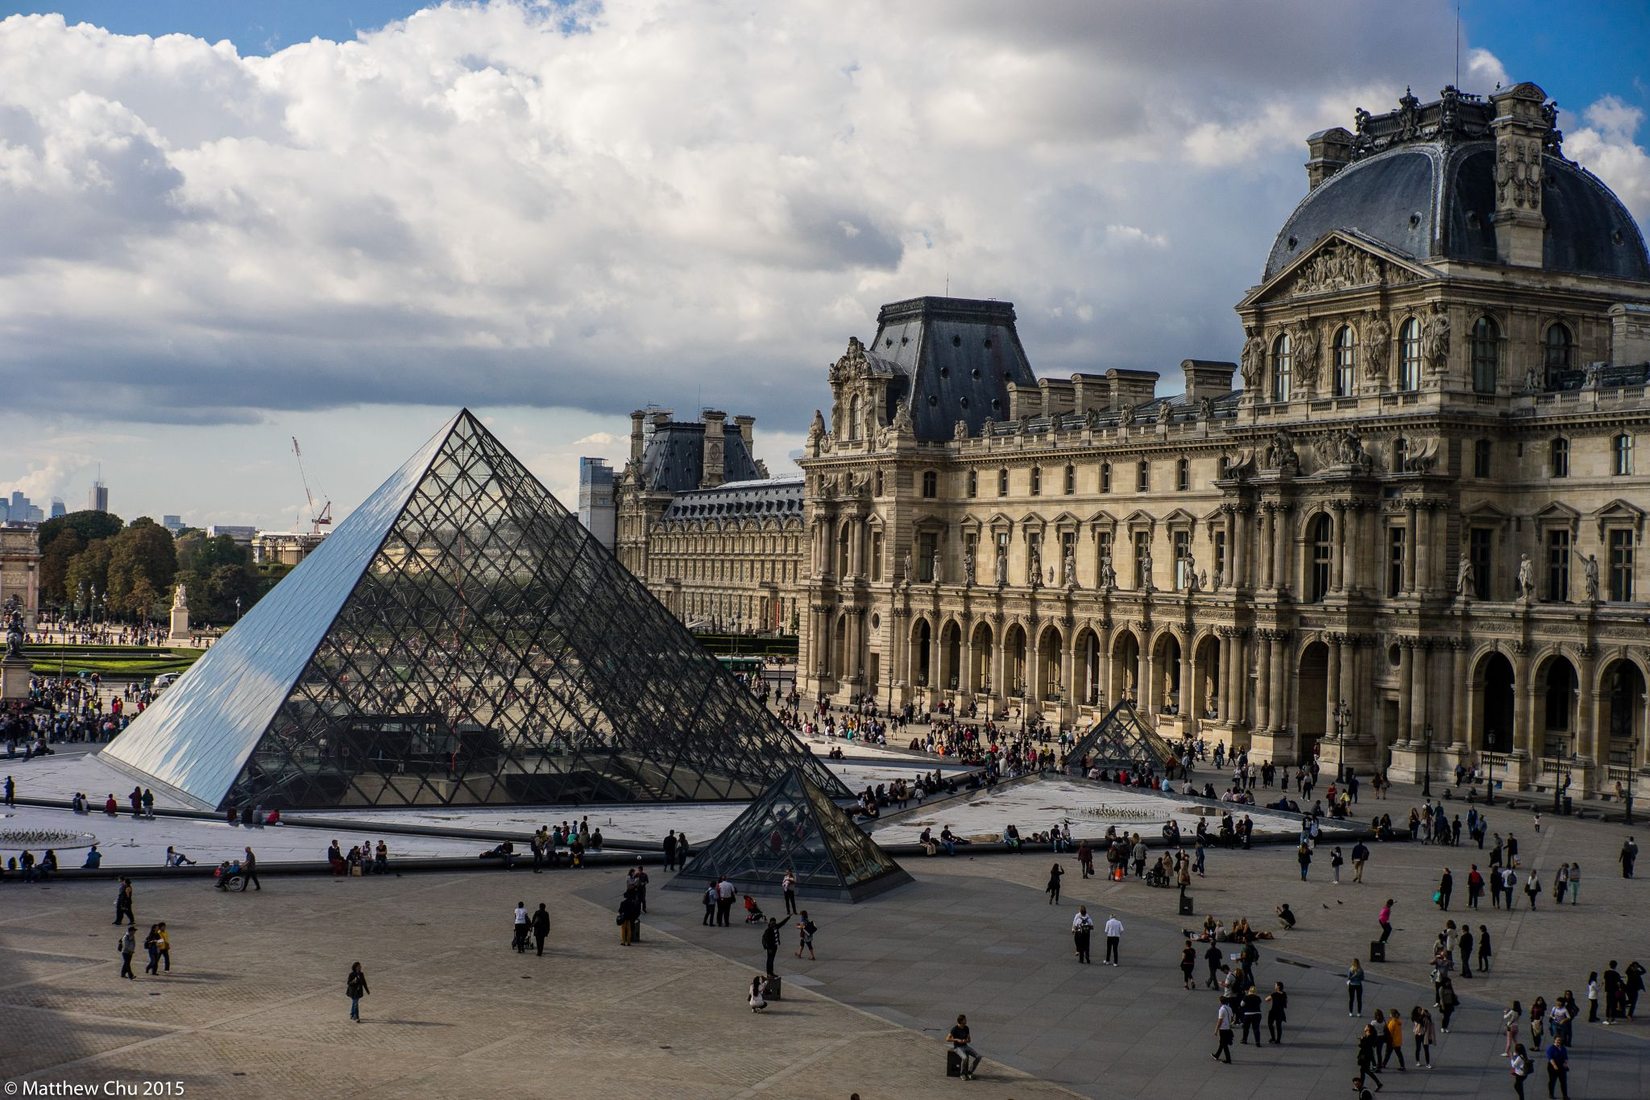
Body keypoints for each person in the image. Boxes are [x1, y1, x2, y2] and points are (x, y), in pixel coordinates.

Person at [948, 1014, 982, 1080]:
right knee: (965, 1058)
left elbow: (969, 1040)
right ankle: (962, 1073)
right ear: (961, 1021)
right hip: (957, 1047)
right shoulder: (954, 1029)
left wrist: (965, 1040)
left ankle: (970, 1072)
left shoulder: (966, 1028)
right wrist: (957, 1039)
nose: (966, 1020)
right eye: (965, 1019)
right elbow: (947, 1039)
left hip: (965, 1046)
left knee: (978, 1056)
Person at [1355, 1023, 1383, 1092]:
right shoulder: (1369, 1036)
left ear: (1368, 1029)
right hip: (1368, 1055)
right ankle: (1361, 1086)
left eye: (1366, 1027)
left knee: (1365, 1070)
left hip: (1365, 1056)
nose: (1364, 1027)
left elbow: (1363, 1046)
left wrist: (1362, 1040)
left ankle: (1378, 1083)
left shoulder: (1369, 1037)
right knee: (1363, 1071)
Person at [1544, 1034, 1569, 1099]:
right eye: (1558, 1040)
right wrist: (1554, 1065)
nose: (1559, 1041)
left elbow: (1565, 1057)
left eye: (1560, 1040)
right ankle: (1551, 1094)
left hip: (1562, 1066)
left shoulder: (1563, 1048)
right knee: (1552, 1081)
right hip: (1552, 1067)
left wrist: (1566, 1063)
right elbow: (1550, 1058)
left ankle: (1565, 1095)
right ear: (1554, 1040)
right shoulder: (1551, 1048)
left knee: (1563, 1082)